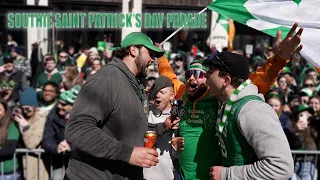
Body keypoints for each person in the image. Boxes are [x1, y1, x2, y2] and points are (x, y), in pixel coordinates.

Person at [157, 23, 302, 180]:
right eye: (188, 73)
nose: (194, 78)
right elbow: (169, 77)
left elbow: (260, 78)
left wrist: (280, 59)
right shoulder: (187, 95)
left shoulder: (241, 105)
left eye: (202, 73)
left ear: (225, 80)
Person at [204, 22, 304, 179]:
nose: (204, 77)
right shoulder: (225, 101)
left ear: (226, 80)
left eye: (210, 72)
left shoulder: (252, 110)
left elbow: (281, 167)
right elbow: (260, 78)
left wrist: (227, 174)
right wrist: (278, 59)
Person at [64, 32, 165, 180]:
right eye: (150, 53)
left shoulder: (135, 83)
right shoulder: (106, 79)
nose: (152, 60)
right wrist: (128, 153)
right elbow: (78, 129)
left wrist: (164, 126)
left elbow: (134, 126)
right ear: (133, 50)